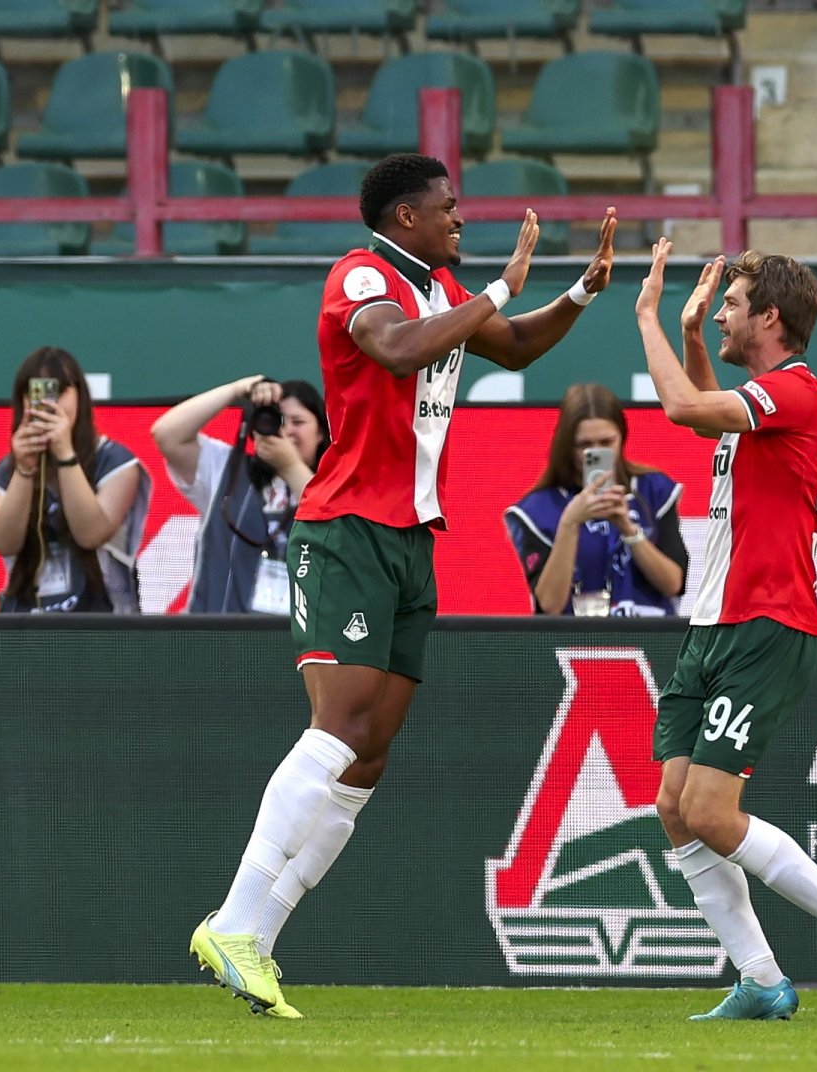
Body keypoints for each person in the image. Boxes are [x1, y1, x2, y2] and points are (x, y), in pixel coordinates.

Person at [187, 153, 617, 1018]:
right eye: (447, 206)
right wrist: (499, 288)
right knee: (338, 726)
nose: (460, 217)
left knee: (370, 752)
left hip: (412, 538)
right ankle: (231, 922)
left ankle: (258, 938)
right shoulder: (362, 276)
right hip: (347, 528)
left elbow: (513, 345)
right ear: (405, 216)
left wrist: (578, 293)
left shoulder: (441, 288)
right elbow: (394, 349)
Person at [634, 240, 817, 1022]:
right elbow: (707, 414)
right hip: (712, 623)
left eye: (731, 304)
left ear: (770, 316)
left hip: (766, 621)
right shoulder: (763, 403)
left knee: (713, 812)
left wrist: (647, 316)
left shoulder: (799, 393)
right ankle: (760, 979)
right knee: (676, 805)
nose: (719, 313)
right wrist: (688, 337)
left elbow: (683, 408)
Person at [0, 346, 150, 614]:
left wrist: (65, 455)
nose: (49, 404)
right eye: (36, 393)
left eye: (58, 392)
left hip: (102, 620)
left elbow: (91, 534)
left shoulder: (114, 461)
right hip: (25, 621)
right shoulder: (6, 471)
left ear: (79, 396)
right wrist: (25, 470)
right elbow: (4, 543)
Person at [504, 383, 687, 616]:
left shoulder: (653, 489)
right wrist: (570, 523)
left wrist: (629, 529)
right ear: (566, 445)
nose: (596, 451)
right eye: (584, 445)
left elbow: (673, 584)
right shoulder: (537, 510)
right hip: (578, 635)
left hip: (649, 630)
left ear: (622, 436)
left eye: (606, 442)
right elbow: (550, 605)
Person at [151, 376, 330, 614]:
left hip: (296, 634)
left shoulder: (335, 486)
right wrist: (238, 389)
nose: (286, 431)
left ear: (320, 432)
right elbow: (166, 434)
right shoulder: (228, 469)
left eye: (298, 422)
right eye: (277, 421)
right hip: (215, 629)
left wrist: (290, 466)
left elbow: (335, 530)